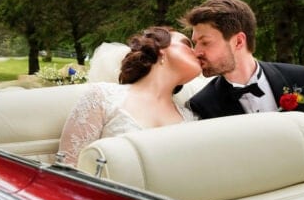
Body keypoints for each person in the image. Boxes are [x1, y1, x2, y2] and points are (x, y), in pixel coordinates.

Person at [179, 0, 304, 148]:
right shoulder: (203, 104)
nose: (196, 52)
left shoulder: (297, 77)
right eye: (195, 43)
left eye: (205, 43)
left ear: (238, 42)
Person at [58, 26, 201, 165]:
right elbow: (68, 167)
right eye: (188, 45)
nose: (198, 52)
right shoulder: (102, 97)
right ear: (160, 50)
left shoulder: (190, 119)